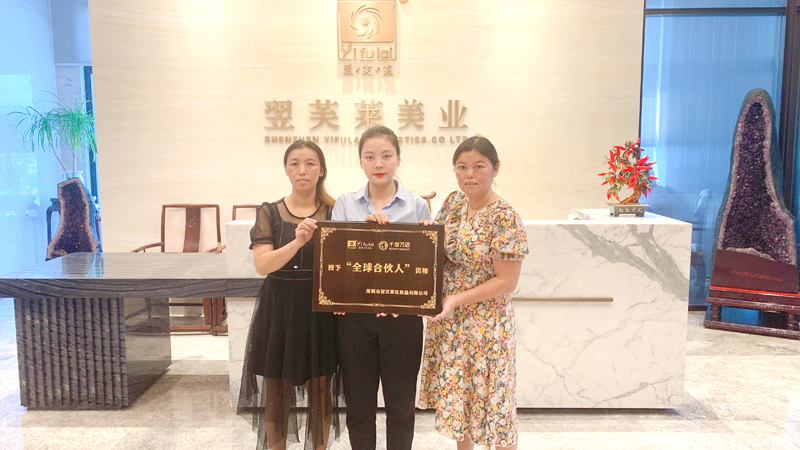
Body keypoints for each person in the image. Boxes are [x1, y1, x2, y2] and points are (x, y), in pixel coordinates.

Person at [419, 136, 529, 450]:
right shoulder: (454, 202)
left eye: (479, 167)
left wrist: (456, 299)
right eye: (462, 167)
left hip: (487, 327)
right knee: (461, 404)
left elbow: (506, 282)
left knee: (496, 406)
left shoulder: (505, 216)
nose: (469, 174)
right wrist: (426, 234)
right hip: (452, 324)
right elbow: (439, 250)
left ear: (495, 168)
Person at [332, 125, 432, 450]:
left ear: (398, 159)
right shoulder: (344, 204)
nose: (379, 163)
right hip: (354, 319)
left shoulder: (417, 206)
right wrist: (362, 234)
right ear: (360, 161)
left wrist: (430, 238)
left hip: (402, 319)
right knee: (359, 406)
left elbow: (423, 267)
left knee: (401, 407)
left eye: (386, 156)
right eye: (370, 157)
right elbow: (335, 257)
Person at [238, 140, 342, 450]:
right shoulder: (269, 211)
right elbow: (263, 265)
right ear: (285, 169)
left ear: (321, 170)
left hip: (320, 308)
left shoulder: (335, 211)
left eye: (310, 163)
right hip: (279, 307)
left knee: (321, 389)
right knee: (276, 389)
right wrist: (297, 242)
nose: (302, 170)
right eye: (294, 163)